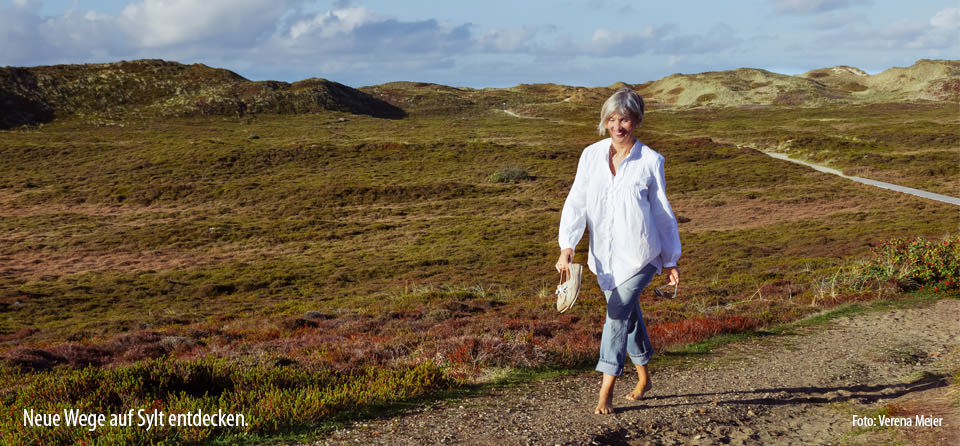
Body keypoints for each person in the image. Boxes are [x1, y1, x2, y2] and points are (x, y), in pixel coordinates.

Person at [555, 87, 681, 414]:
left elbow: (662, 213)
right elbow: (577, 202)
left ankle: (605, 391)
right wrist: (566, 247)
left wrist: (670, 260)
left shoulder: (651, 161)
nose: (617, 126)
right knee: (628, 316)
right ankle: (644, 378)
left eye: (624, 119)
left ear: (636, 120)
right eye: (611, 119)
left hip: (642, 256)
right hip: (605, 260)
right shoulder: (590, 155)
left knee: (615, 314)